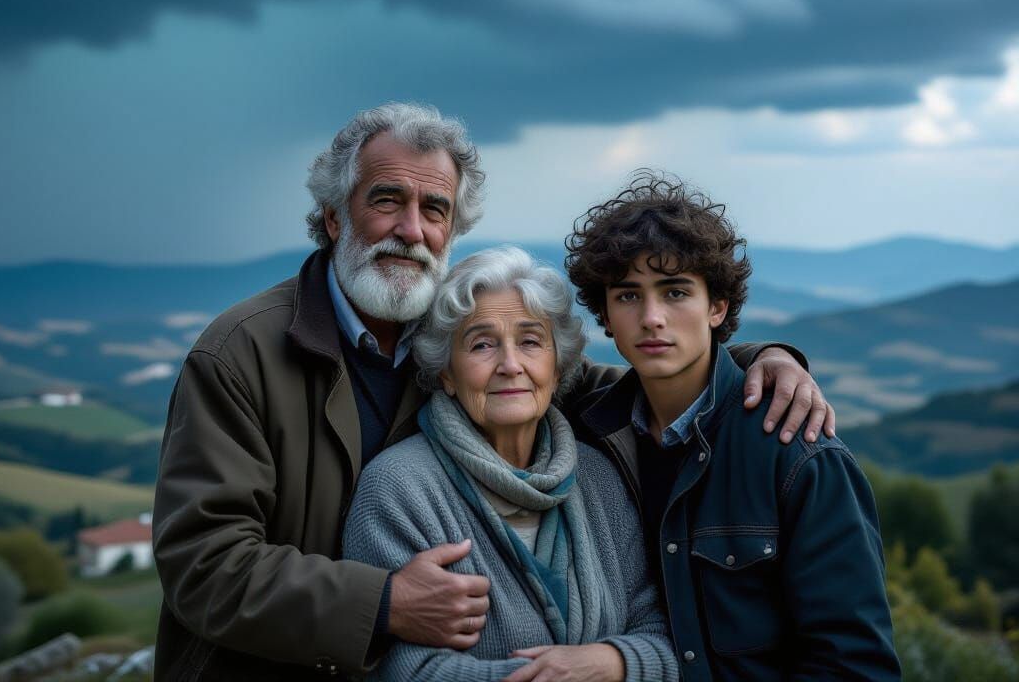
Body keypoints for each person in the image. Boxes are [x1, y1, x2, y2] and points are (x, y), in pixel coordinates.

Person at [152, 103, 831, 681]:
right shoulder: (242, 351)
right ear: (334, 217)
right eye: (386, 199)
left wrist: (757, 359)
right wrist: (383, 601)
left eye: (434, 209)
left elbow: (623, 384)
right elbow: (202, 564)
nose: (411, 229)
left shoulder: (455, 323)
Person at [566, 173, 901, 681]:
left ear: (717, 307)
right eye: (629, 296)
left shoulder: (797, 452)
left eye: (675, 292)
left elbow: (854, 666)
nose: (652, 317)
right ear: (606, 316)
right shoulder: (586, 436)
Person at [344, 247, 678, 682]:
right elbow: (402, 669)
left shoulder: (599, 477)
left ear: (557, 368)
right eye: (482, 344)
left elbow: (669, 637)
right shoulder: (398, 489)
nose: (510, 365)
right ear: (446, 372)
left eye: (530, 341)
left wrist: (612, 664)